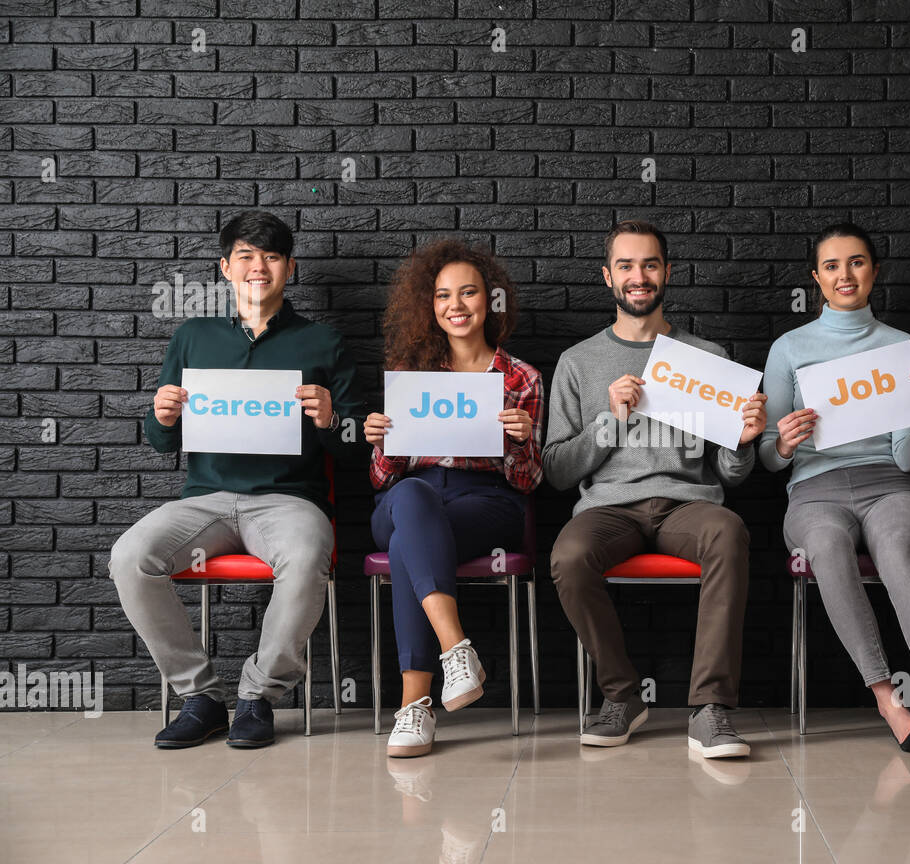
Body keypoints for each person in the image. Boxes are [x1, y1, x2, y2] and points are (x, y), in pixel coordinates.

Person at [109, 210, 366, 749]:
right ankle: (201, 698)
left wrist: (329, 419)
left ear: (289, 269)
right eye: (245, 256)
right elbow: (163, 443)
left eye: (271, 256)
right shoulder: (193, 337)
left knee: (307, 554)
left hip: (289, 501)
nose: (258, 267)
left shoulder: (323, 343)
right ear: (225, 267)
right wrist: (161, 415)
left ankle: (258, 696)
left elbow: (353, 447)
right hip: (204, 502)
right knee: (131, 557)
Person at [759, 222, 910, 768]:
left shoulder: (900, 346)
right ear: (816, 278)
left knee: (898, 549)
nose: (844, 275)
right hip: (813, 492)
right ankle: (888, 701)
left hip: (890, 484)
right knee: (829, 549)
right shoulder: (789, 348)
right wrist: (784, 443)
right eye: (832, 266)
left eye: (856, 262)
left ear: (874, 272)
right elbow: (765, 454)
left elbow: (907, 456)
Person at [544, 220, 767, 758]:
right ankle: (622, 697)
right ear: (607, 277)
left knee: (729, 532)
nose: (638, 276)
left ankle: (710, 709)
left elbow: (733, 475)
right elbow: (555, 470)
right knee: (569, 556)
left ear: (667, 272)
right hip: (609, 509)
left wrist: (741, 442)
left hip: (689, 505)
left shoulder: (707, 357)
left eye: (649, 264)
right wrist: (609, 421)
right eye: (626, 266)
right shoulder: (578, 362)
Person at [365, 240, 543, 759]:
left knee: (408, 547)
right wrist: (382, 443)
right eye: (444, 296)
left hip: (484, 502)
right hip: (408, 498)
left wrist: (519, 441)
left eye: (468, 293)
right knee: (413, 500)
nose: (456, 305)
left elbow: (528, 482)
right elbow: (383, 479)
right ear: (431, 305)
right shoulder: (411, 372)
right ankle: (455, 648)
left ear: (490, 301)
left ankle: (414, 706)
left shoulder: (520, 378)